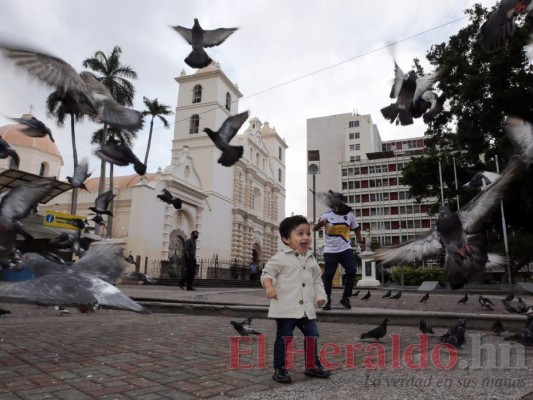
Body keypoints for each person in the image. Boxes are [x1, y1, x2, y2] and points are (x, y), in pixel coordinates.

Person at [261, 215, 331, 384]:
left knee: (312, 335)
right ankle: (280, 368)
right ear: (286, 238)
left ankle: (312, 365)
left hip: (306, 309)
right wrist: (269, 286)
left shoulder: (312, 259)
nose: (306, 237)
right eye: (300, 233)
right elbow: (267, 273)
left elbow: (317, 281)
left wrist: (321, 297)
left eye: (308, 233)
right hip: (286, 308)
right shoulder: (280, 257)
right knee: (285, 337)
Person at [314, 191, 365, 310]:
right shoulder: (326, 215)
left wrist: (361, 242)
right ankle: (327, 300)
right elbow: (314, 228)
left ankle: (346, 297)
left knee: (352, 270)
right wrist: (320, 224)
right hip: (330, 251)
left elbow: (356, 229)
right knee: (328, 276)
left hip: (345, 249)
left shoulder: (349, 215)